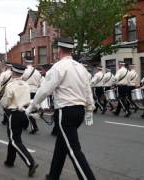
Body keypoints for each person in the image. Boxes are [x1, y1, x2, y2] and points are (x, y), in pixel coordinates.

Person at [26, 37, 96, 180]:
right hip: (79, 111)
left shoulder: (58, 67)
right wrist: (89, 109)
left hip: (65, 111)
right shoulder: (81, 68)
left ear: (60, 50)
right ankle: (53, 176)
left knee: (73, 150)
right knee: (61, 147)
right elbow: (87, 90)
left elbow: (45, 90)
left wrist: (32, 106)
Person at [0, 63, 39, 177]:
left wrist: (1, 100)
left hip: (14, 114)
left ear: (12, 72)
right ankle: (9, 161)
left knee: (14, 140)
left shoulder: (10, 86)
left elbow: (6, 102)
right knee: (14, 137)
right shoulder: (26, 85)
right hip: (23, 114)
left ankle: (30, 162)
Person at [22, 55, 42, 134]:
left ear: (25, 61)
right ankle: (25, 125)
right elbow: (40, 83)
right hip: (35, 91)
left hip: (26, 91)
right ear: (32, 62)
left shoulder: (24, 71)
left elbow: (21, 81)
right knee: (31, 108)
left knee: (26, 109)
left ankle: (34, 126)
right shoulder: (37, 72)